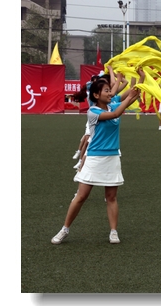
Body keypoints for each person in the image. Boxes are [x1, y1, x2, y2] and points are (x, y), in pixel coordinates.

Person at [51, 74, 142, 245]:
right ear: (96, 95)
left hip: (112, 157)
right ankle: (64, 229)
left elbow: (133, 94)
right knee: (81, 196)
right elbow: (116, 113)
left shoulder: (112, 105)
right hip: (94, 158)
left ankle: (113, 232)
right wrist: (129, 97)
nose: (110, 93)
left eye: (109, 90)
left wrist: (140, 79)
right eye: (106, 90)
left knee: (111, 197)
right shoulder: (93, 112)